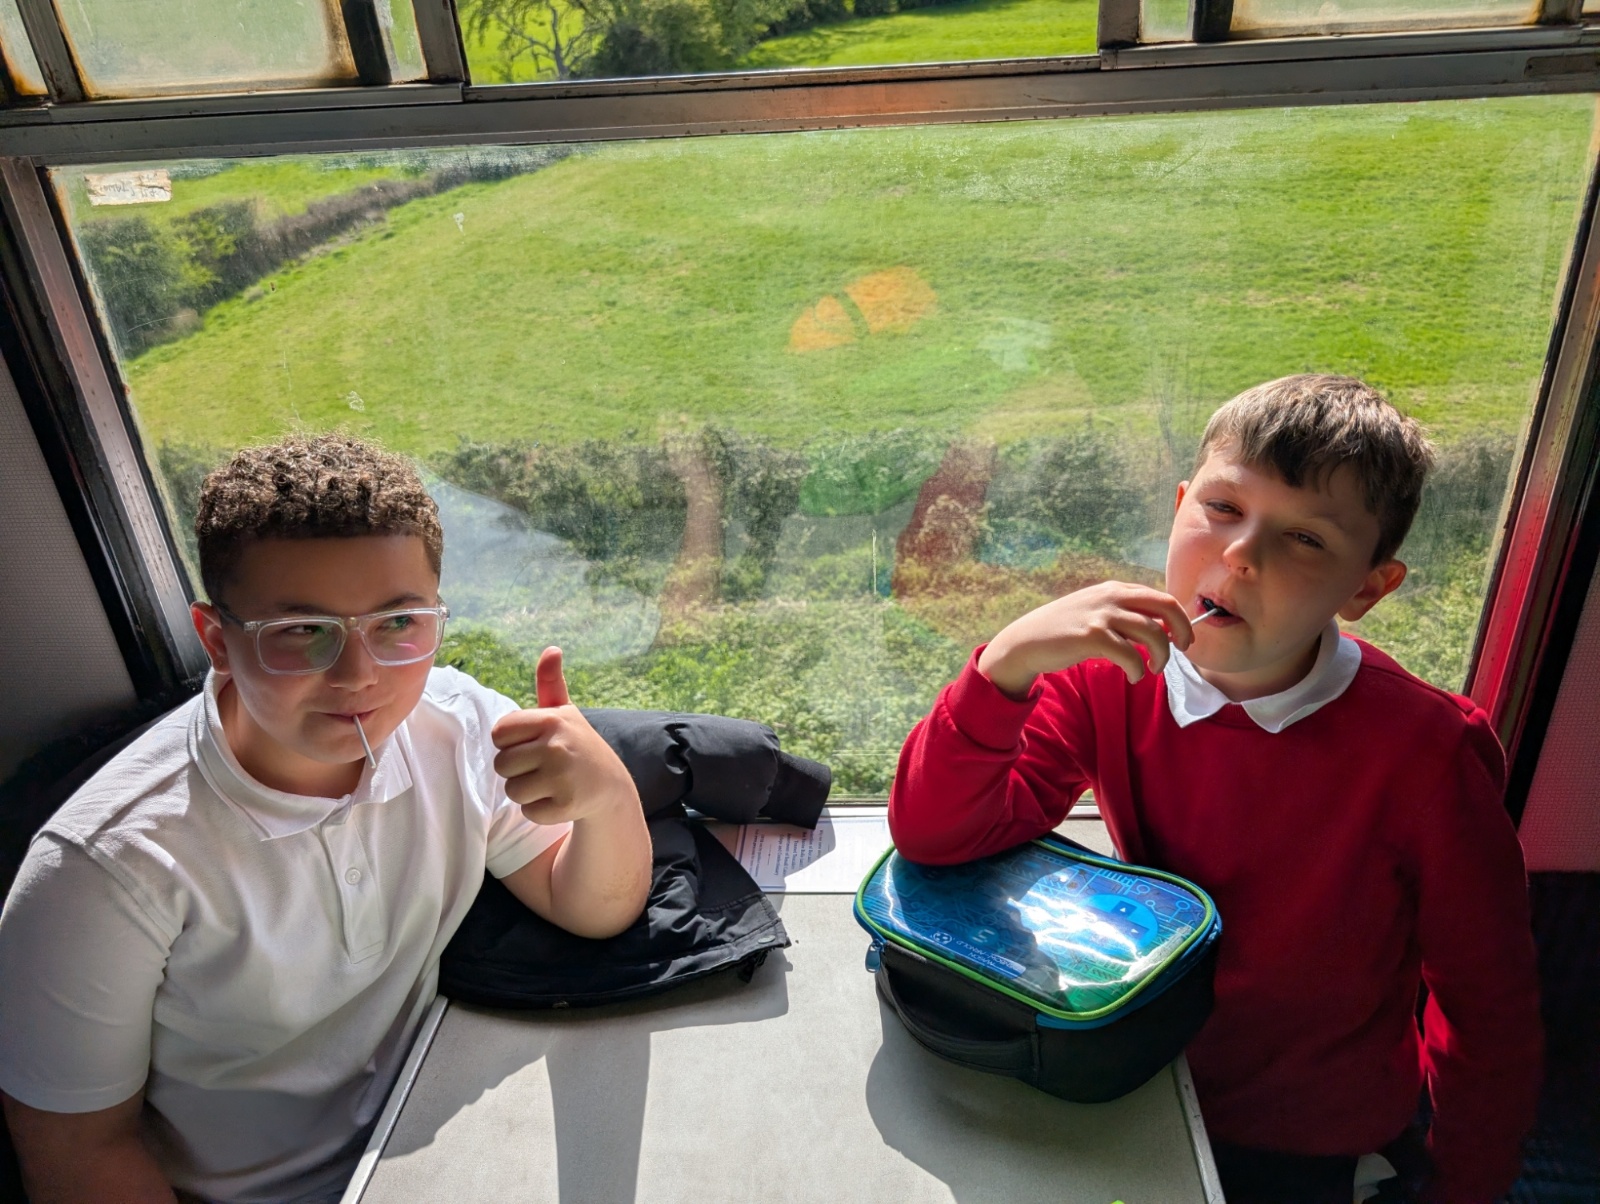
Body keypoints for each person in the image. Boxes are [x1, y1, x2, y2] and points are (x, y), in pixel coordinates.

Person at [888, 375, 1542, 1204]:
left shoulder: (1429, 754)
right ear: (1178, 505)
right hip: (1135, 1073)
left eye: (1305, 538)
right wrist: (1004, 666)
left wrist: (1465, 1185)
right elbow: (939, 834)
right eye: (1223, 508)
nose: (1241, 555)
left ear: (1367, 588)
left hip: (1313, 1132)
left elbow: (1489, 1006)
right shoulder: (1106, 675)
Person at [0, 434, 654, 1204]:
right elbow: (77, 1151)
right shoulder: (98, 872)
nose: (359, 676)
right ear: (216, 640)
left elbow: (591, 907)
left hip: (442, 1145)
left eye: (398, 622)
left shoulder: (459, 727)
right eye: (302, 632)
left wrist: (608, 800)